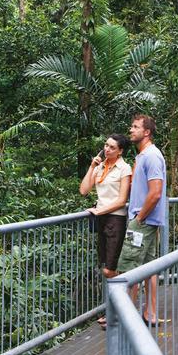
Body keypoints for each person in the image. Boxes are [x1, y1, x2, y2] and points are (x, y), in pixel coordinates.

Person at [117, 115, 167, 326]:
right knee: (148, 267)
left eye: (135, 127)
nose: (131, 130)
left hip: (143, 222)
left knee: (129, 266)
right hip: (147, 221)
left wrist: (138, 219)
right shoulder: (143, 156)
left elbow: (155, 193)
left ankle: (127, 317)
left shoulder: (152, 156)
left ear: (147, 132)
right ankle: (150, 313)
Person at [79, 133, 132, 329]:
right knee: (108, 268)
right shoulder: (101, 167)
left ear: (120, 151)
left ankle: (121, 309)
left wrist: (98, 210)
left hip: (115, 219)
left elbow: (121, 200)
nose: (107, 149)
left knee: (110, 269)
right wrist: (92, 166)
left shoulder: (124, 169)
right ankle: (116, 310)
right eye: (106, 146)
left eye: (111, 147)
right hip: (100, 218)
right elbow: (84, 190)